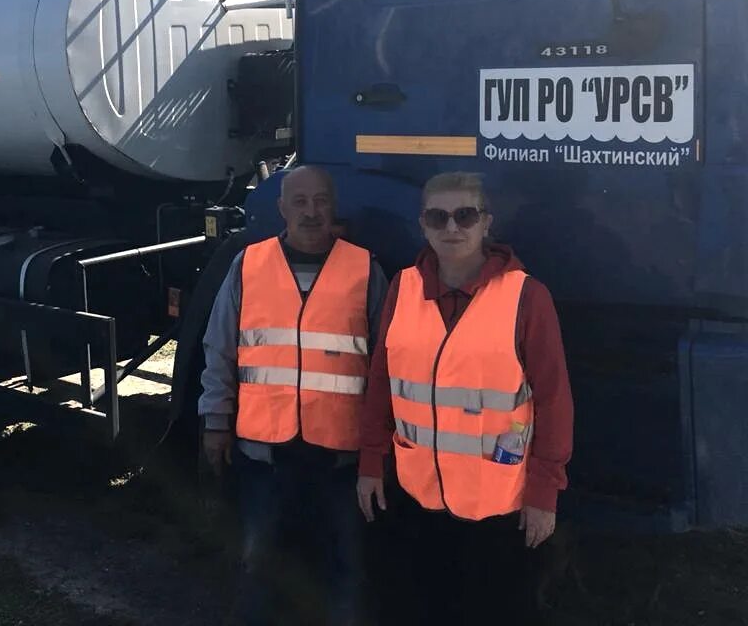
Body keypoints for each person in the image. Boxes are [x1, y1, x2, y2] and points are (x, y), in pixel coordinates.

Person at [356, 171, 573, 626]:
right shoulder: (403, 287)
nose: (451, 227)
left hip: (500, 510)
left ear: (486, 222)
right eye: (438, 216)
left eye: (464, 215)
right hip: (417, 500)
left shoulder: (527, 297)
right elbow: (380, 381)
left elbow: (554, 402)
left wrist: (544, 494)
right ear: (422, 225)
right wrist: (371, 463)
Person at [199, 165, 387, 626]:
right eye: (299, 201)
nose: (311, 212)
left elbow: (386, 367)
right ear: (281, 208)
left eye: (320, 200)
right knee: (256, 565)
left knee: (345, 569)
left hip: (340, 460)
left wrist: (378, 450)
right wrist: (215, 421)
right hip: (265, 456)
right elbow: (219, 347)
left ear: (333, 206)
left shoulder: (366, 269)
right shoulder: (249, 264)